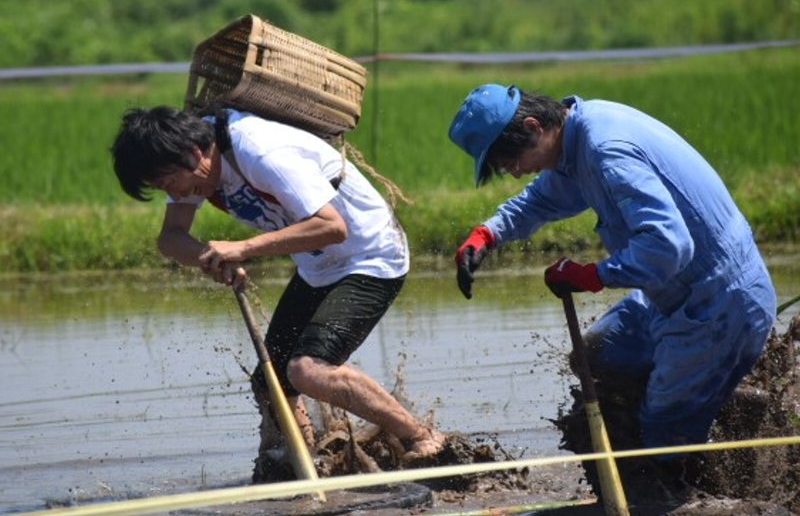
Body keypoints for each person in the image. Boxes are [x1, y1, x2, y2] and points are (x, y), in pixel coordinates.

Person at [448, 83, 776, 454]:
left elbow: (669, 245)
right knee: (596, 358)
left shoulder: (606, 150)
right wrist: (487, 234)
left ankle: (679, 474)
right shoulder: (576, 142)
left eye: (508, 162)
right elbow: (542, 200)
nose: (514, 174)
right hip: (668, 295)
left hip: (720, 304)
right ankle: (710, 399)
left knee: (663, 433)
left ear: (533, 127)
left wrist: (593, 276)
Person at [111, 105, 444, 460]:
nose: (176, 196)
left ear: (194, 155)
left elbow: (332, 227)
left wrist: (243, 248)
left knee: (308, 369)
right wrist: (209, 256)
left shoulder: (261, 152)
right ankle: (309, 459)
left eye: (168, 184)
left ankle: (423, 436)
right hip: (318, 266)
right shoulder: (193, 162)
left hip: (371, 255)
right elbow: (171, 238)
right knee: (270, 386)